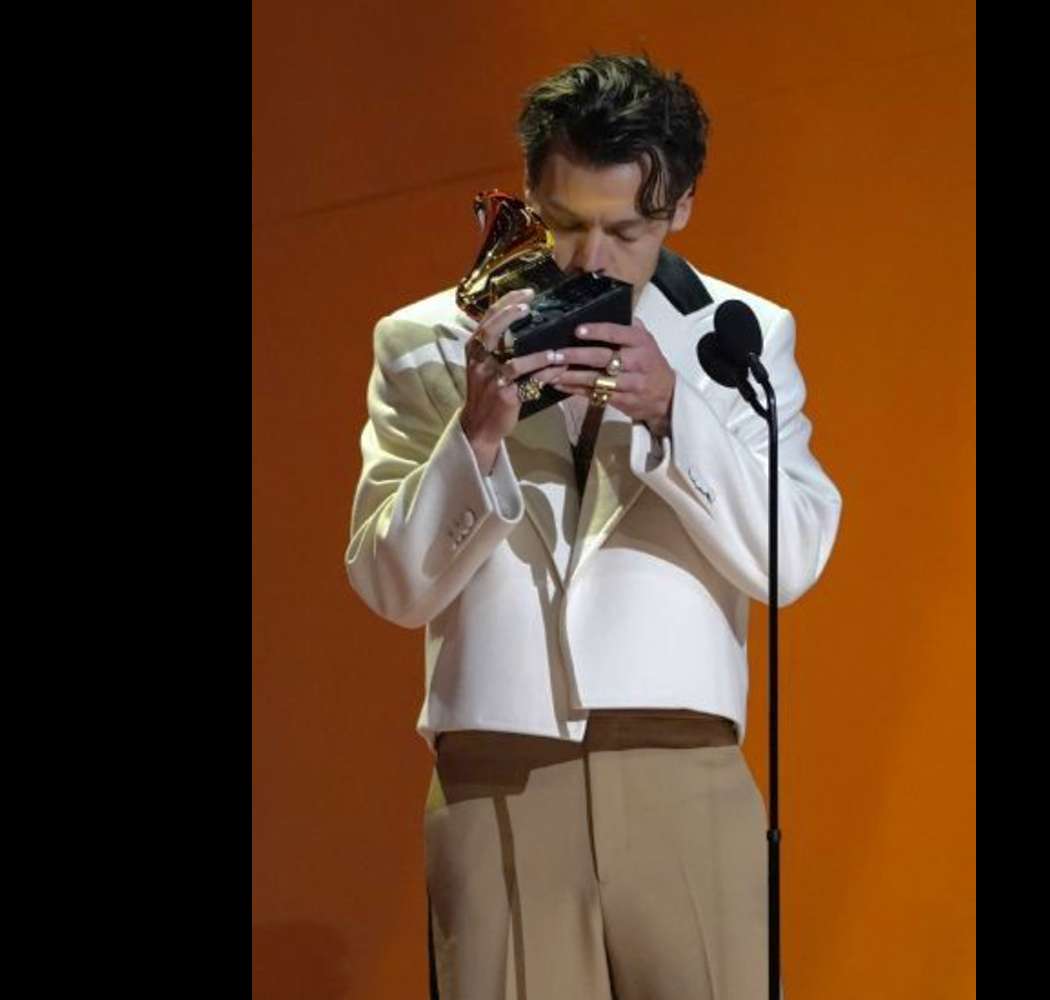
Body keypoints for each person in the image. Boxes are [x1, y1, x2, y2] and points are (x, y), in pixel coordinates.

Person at [345, 53, 841, 1000]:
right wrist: (476, 435)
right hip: (497, 774)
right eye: (567, 222)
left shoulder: (739, 336)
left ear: (680, 208)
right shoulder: (424, 342)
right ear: (530, 191)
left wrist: (672, 413)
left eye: (627, 229)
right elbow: (389, 582)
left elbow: (793, 558)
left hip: (683, 769)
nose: (591, 258)